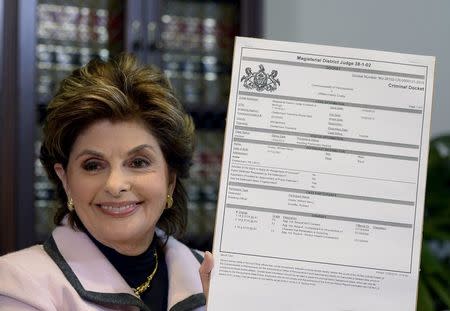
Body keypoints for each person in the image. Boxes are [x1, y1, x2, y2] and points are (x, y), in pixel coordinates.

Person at [0, 53, 213, 310]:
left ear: (170, 179)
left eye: (138, 162)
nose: (115, 184)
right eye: (93, 165)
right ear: (65, 180)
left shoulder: (214, 280)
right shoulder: (18, 284)